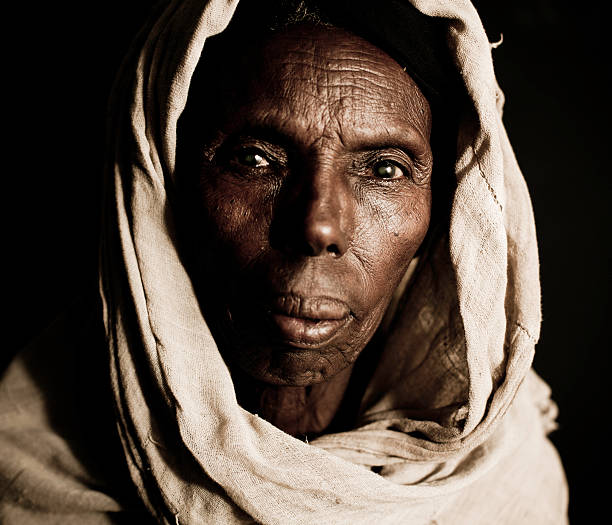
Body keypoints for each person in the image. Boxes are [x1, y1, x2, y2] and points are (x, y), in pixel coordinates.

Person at [0, 0, 568, 523]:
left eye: (385, 170)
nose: (318, 225)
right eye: (255, 159)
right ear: (162, 179)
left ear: (442, 217)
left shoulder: (502, 482)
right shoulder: (29, 455)